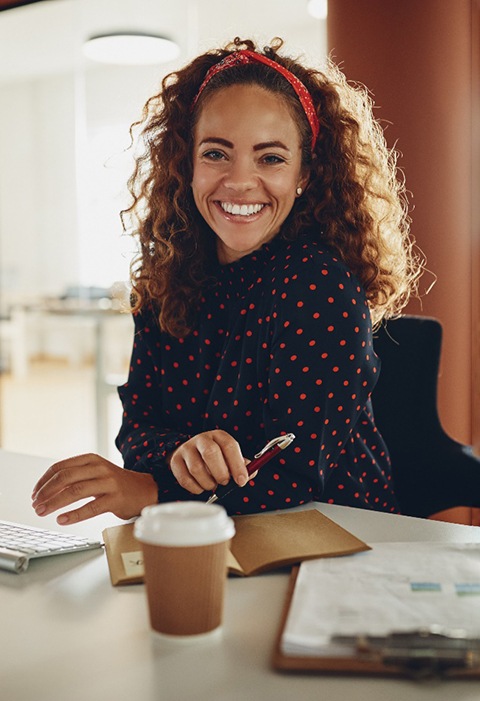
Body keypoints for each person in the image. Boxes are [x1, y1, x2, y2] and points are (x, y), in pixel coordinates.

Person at [32, 37, 421, 525]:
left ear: (305, 172)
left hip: (335, 535)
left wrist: (155, 490)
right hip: (213, 532)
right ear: (187, 164)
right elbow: (138, 429)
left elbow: (295, 475)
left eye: (271, 158)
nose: (239, 181)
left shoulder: (320, 283)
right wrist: (181, 454)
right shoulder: (166, 276)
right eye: (217, 153)